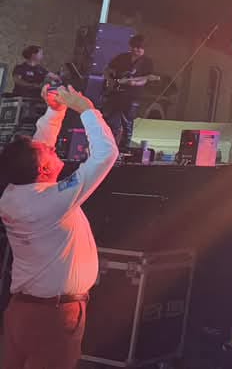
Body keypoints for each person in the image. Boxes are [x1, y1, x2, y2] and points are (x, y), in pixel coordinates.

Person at [0, 84, 119, 369]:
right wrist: (86, 109)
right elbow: (106, 155)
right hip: (54, 316)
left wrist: (55, 112)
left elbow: (37, 150)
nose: (56, 153)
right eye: (50, 154)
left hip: (21, 311)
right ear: (43, 171)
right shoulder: (53, 200)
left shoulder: (12, 194)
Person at [102, 34, 155, 150]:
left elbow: (145, 79)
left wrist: (135, 83)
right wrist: (110, 80)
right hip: (115, 93)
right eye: (135, 47)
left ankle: (124, 148)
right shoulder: (122, 57)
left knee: (127, 121)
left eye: (140, 48)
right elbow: (107, 69)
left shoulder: (147, 62)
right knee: (109, 119)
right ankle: (106, 144)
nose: (136, 50)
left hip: (132, 95)